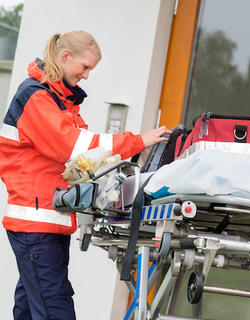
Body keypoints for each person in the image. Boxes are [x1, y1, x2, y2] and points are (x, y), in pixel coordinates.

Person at [0, 31, 171, 319]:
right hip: (36, 224)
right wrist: (138, 141)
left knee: (30, 308)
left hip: (47, 221)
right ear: (65, 57)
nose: (87, 76)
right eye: (85, 67)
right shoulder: (36, 98)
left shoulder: (58, 101)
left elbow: (82, 160)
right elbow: (77, 148)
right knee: (56, 309)